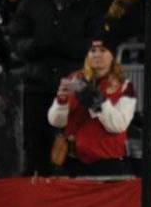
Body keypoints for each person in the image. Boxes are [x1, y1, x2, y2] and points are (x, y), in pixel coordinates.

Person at [8, 0, 92, 175]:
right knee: (35, 145)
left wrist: (69, 46)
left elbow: (93, 40)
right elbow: (16, 40)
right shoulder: (31, 1)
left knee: (69, 145)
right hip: (38, 82)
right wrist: (37, 45)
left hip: (73, 82)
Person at [47, 32, 136, 176]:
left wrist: (97, 103)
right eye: (92, 50)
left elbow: (118, 125)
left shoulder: (125, 86)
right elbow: (56, 122)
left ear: (112, 55)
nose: (97, 55)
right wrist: (61, 101)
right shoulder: (74, 79)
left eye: (103, 50)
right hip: (74, 163)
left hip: (108, 164)